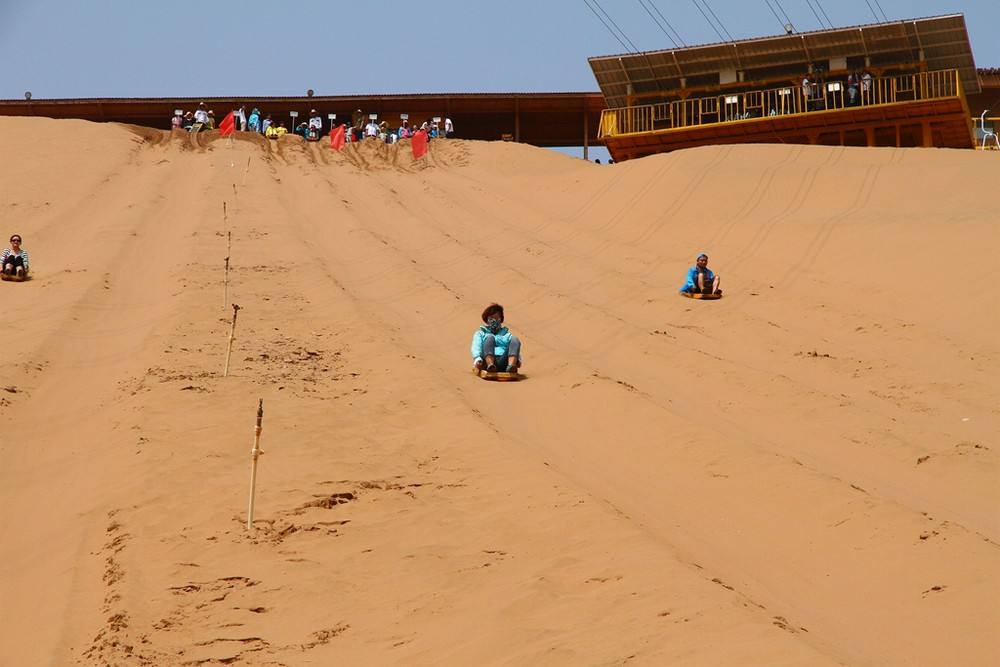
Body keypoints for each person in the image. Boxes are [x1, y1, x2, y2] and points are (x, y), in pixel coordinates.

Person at [471, 303, 522, 374]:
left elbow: (514, 347)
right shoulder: (481, 333)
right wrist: (477, 359)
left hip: (504, 361)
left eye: (497, 317)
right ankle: (490, 366)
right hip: (486, 362)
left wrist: (518, 360)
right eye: (491, 318)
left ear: (501, 319)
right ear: (487, 320)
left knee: (515, 339)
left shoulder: (507, 335)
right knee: (489, 338)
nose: (494, 320)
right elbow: (476, 346)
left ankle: (511, 366)